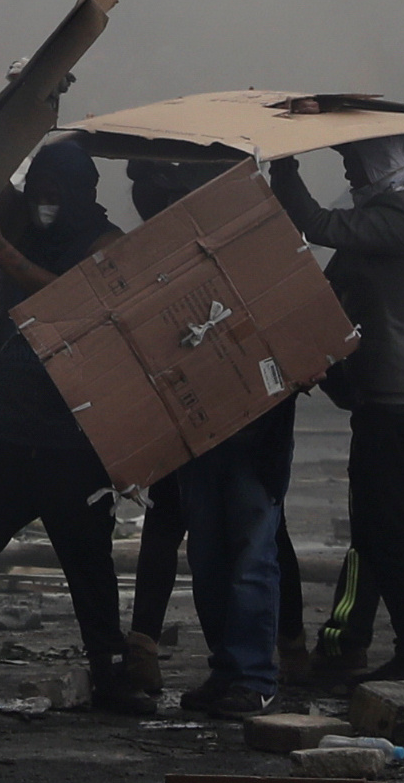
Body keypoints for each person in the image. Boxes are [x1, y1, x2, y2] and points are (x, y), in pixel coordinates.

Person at [0, 139, 160, 716]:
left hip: (71, 433)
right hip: (0, 424)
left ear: (79, 195)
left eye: (55, 195)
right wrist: (15, 113)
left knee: (89, 564)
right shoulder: (21, 223)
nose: (44, 204)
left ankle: (108, 672)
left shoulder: (106, 244)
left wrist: (2, 249)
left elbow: (72, 302)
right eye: (37, 192)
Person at [274, 136, 404, 682]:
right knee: (381, 532)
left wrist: (283, 162)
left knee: (394, 535)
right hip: (402, 398)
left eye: (355, 161)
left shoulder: (402, 220)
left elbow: (314, 224)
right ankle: (361, 641)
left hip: (400, 403)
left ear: (383, 162)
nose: (351, 172)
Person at [122, 152, 300, 716]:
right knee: (209, 555)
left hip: (255, 430)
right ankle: (230, 669)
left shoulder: (259, 252)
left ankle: (252, 674)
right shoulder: (174, 258)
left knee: (250, 554)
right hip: (200, 429)